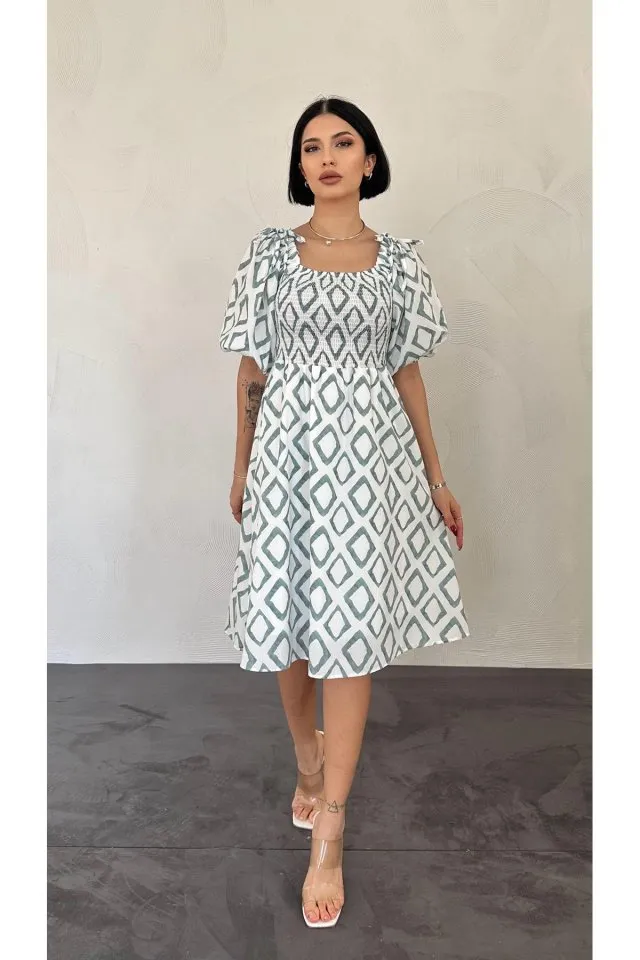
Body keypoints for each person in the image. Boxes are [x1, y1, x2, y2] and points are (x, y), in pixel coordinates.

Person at [219, 96, 471, 928]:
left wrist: (436, 477)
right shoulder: (269, 255)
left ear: (369, 161)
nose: (326, 157)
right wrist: (242, 466)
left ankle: (330, 829)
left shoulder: (400, 263)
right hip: (287, 458)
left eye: (343, 142)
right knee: (287, 621)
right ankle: (307, 756)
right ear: (300, 167)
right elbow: (253, 369)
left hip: (370, 466)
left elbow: (408, 373)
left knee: (349, 633)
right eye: (311, 147)